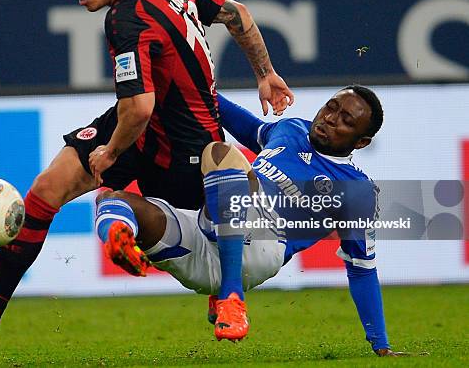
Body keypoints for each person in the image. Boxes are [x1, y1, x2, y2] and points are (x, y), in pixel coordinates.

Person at [0, 0, 293, 345]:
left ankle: (229, 293)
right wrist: (266, 72)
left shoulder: (126, 19)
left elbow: (139, 107)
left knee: (158, 197)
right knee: (46, 190)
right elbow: (237, 15)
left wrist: (109, 153)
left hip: (186, 143)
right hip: (143, 123)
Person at [92, 85, 404, 354]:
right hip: (206, 240)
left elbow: (361, 269)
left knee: (219, 152)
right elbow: (236, 118)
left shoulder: (357, 189)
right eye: (331, 107)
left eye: (346, 121)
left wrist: (381, 343)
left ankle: (231, 295)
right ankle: (119, 240)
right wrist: (187, 82)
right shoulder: (292, 129)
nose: (330, 119)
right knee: (114, 199)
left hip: (261, 249)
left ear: (360, 142)